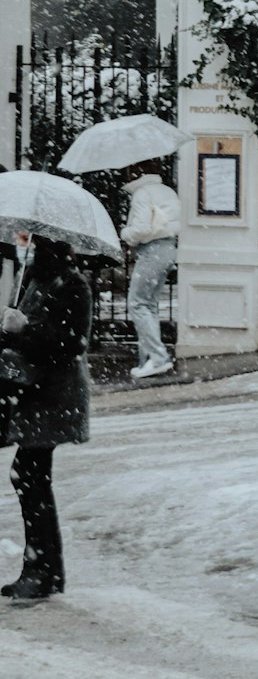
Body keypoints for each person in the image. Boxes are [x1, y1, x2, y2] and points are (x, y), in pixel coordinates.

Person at [0, 236, 92, 600]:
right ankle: (45, 570)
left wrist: (24, 329)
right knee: (30, 476)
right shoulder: (33, 279)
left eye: (32, 243)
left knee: (29, 475)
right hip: (33, 391)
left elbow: (69, 344)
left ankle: (42, 571)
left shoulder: (72, 284)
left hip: (54, 394)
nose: (27, 248)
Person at [120, 161, 181, 380]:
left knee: (137, 303)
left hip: (152, 250)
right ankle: (147, 359)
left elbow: (142, 229)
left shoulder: (142, 194)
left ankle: (157, 358)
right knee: (149, 305)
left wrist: (125, 233)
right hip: (168, 249)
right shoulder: (167, 192)